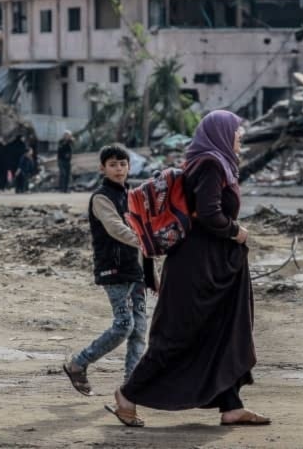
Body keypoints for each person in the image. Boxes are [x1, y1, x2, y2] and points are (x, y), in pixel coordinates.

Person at [105, 110, 270, 428]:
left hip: (215, 267)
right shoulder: (210, 163)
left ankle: (232, 406)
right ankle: (127, 394)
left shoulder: (213, 162)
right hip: (198, 267)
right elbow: (209, 213)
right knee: (177, 335)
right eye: (236, 131)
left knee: (223, 332)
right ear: (221, 132)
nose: (240, 137)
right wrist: (237, 231)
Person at [63, 143, 155, 396]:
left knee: (139, 331)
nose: (119, 169)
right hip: (113, 270)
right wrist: (147, 241)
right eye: (113, 164)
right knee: (124, 325)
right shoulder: (101, 197)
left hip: (135, 271)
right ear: (102, 168)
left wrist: (151, 270)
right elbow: (115, 228)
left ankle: (130, 388)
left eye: (123, 164)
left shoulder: (132, 196)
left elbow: (145, 227)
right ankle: (78, 363)